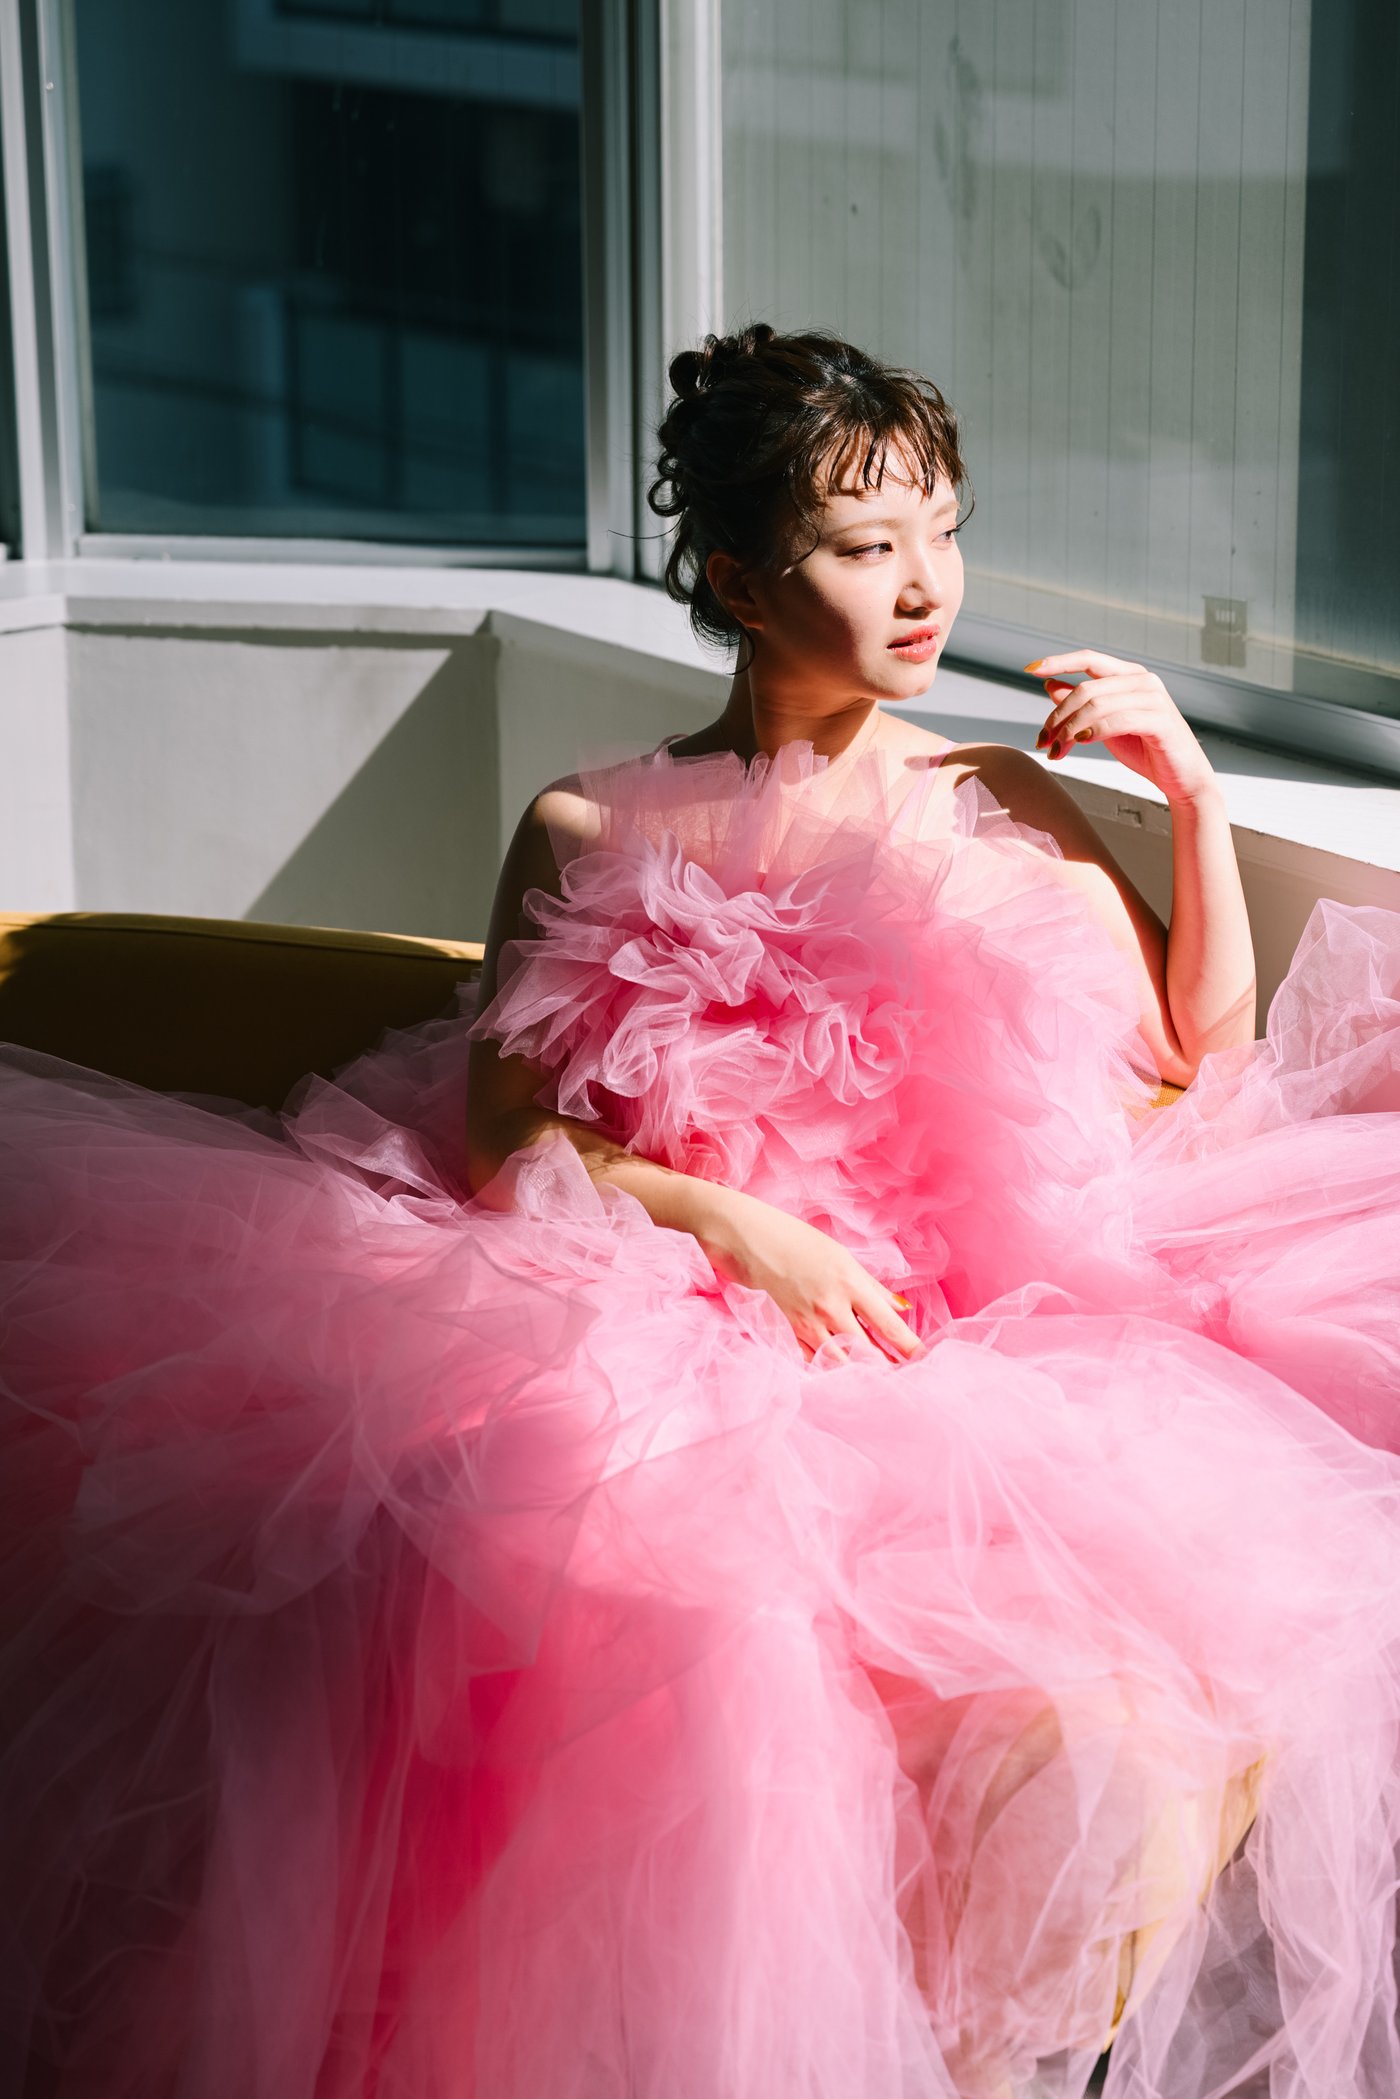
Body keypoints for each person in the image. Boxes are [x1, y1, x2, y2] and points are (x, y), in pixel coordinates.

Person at [2, 323, 1400, 2099]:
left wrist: (1190, 792)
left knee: (1107, 1711)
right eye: (867, 545)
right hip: (672, 1332)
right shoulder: (595, 824)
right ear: (740, 581)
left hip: (965, 1339)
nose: (926, 585)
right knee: (600, 1602)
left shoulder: (992, 796)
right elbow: (502, 1140)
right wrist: (730, 1224)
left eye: (942, 532)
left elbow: (1202, 1059)